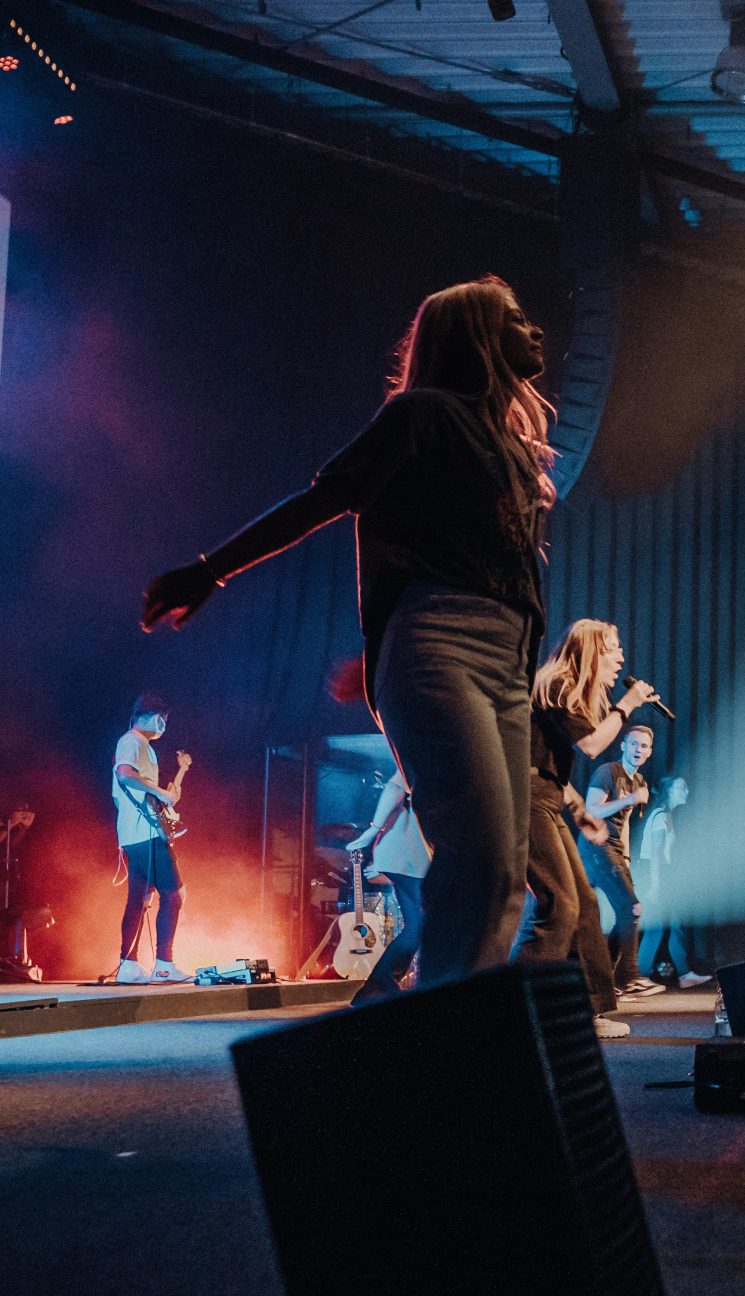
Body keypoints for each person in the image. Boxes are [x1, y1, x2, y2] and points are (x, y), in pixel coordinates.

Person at [142, 277, 554, 991]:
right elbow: (324, 499)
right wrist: (211, 570)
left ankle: (463, 1028)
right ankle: (446, 1036)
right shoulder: (420, 414)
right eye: (516, 319)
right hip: (442, 644)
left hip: (507, 664)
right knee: (480, 859)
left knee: (503, 875)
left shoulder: (513, 448)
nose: (536, 330)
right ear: (478, 336)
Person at [520, 619, 661, 1039]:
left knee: (582, 904)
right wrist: (627, 705)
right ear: (590, 650)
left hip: (546, 799)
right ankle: (518, 1004)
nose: (620, 657)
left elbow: (547, 764)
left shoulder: (565, 691)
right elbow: (592, 745)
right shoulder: (557, 684)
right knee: (559, 905)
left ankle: (588, 1010)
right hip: (528, 801)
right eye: (613, 648)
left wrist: (579, 809)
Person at [110, 695, 193, 984]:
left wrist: (177, 776)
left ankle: (128, 965)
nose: (164, 726)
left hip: (133, 835)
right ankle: (164, 964)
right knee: (174, 894)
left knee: (140, 899)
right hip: (146, 834)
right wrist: (159, 793)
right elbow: (125, 774)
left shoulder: (140, 745)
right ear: (155, 716)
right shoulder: (133, 741)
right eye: (164, 720)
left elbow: (126, 794)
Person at [583, 723, 664, 999]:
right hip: (597, 846)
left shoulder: (639, 781)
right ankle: (628, 977)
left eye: (644, 746)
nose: (638, 749)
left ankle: (605, 981)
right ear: (623, 746)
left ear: (650, 752)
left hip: (617, 850)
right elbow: (591, 810)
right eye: (634, 744)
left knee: (628, 913)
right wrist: (629, 798)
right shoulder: (608, 772)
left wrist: (626, 855)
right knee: (631, 909)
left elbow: (625, 821)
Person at [345, 768, 430, 1005]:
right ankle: (379, 985)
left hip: (407, 857)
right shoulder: (423, 758)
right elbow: (395, 786)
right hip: (407, 855)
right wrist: (371, 832)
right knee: (424, 923)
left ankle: (376, 988)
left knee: (418, 926)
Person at [634, 775, 711, 989]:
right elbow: (655, 854)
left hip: (663, 872)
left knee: (673, 925)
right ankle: (639, 976)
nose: (687, 791)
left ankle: (684, 974)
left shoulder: (665, 815)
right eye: (681, 787)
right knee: (657, 928)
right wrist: (656, 884)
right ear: (669, 791)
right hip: (655, 871)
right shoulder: (660, 816)